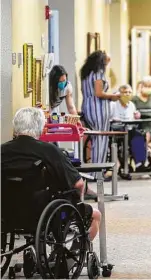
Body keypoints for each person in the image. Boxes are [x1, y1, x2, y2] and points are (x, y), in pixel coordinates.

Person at [1, 107, 101, 241]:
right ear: (41, 128)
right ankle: (74, 253)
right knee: (96, 215)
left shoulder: (3, 151)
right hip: (44, 213)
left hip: (7, 213)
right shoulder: (49, 151)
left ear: (15, 127)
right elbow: (78, 184)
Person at [80, 50, 121, 178]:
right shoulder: (98, 74)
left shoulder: (86, 74)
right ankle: (98, 172)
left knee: (95, 138)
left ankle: (94, 171)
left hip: (88, 107)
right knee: (101, 139)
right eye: (107, 61)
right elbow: (99, 93)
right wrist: (114, 96)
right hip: (98, 110)